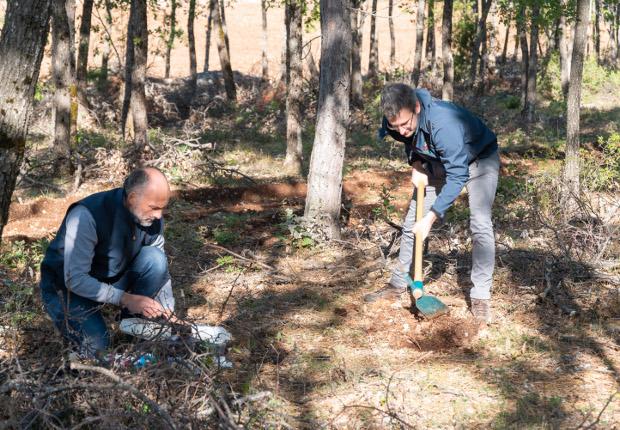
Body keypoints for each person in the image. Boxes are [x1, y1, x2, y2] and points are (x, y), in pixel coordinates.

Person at [363, 83, 500, 323]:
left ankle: (480, 297)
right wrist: (416, 164)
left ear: (416, 107)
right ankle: (397, 285)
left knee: (480, 224)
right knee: (410, 226)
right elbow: (407, 141)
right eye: (396, 126)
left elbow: (458, 175)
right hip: (436, 161)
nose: (402, 130)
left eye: (406, 124)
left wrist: (432, 217)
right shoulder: (395, 123)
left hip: (478, 160)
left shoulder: (443, 123)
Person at [40, 167, 176, 357]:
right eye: (154, 207)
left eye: (163, 207)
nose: (159, 215)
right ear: (132, 198)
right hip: (66, 289)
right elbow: (75, 279)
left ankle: (132, 328)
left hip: (111, 277)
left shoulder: (151, 218)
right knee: (98, 348)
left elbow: (160, 268)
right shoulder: (86, 216)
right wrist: (125, 298)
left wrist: (168, 310)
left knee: (155, 258)